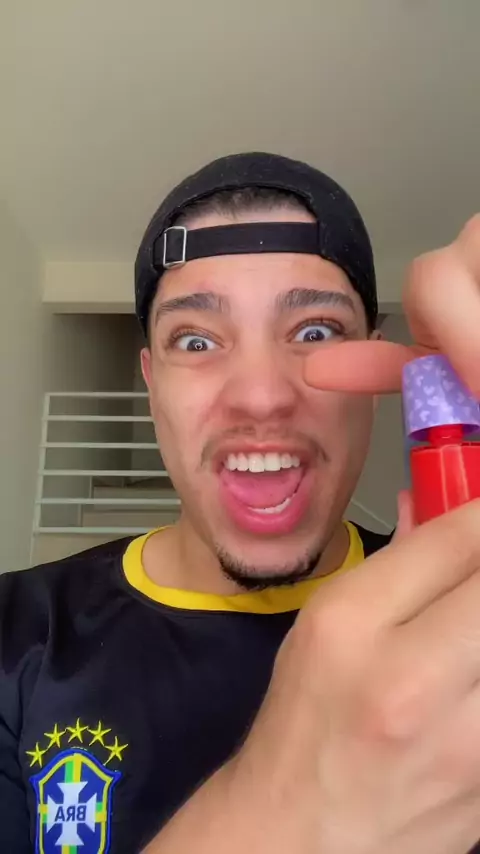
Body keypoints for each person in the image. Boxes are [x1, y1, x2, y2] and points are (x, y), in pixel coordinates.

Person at [0, 151, 478, 854]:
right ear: (151, 382)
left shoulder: (462, 627)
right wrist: (292, 815)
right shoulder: (15, 637)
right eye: (196, 340)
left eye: (314, 331)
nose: (261, 396)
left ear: (377, 366)